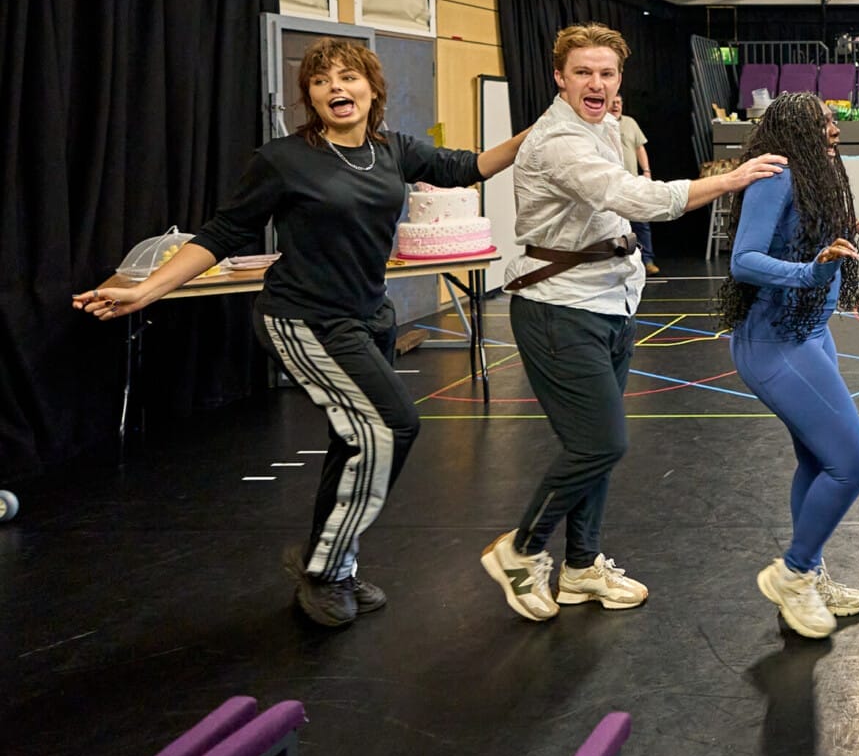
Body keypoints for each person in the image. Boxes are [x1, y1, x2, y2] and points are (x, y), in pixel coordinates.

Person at [73, 37, 526, 628]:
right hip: (303, 318)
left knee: (354, 439)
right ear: (309, 96)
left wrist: (550, 122)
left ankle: (332, 566)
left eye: (349, 76)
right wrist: (147, 289)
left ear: (372, 87)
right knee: (390, 426)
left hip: (369, 317)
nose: (337, 87)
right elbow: (222, 233)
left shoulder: (393, 151)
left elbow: (470, 166)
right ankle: (324, 569)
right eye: (321, 81)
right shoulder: (284, 159)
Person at [480, 24, 785, 622]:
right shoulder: (560, 142)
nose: (596, 83)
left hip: (609, 305)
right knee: (601, 443)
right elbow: (641, 200)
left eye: (607, 73)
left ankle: (581, 567)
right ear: (559, 78)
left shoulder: (600, 126)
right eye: (584, 73)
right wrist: (731, 178)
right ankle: (520, 551)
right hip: (559, 310)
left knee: (590, 449)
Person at [717, 92, 859, 638]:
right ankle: (794, 572)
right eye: (824, 121)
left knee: (817, 461)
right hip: (774, 343)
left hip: (809, 334)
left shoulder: (814, 177)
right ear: (796, 132)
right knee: (853, 464)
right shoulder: (777, 176)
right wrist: (810, 270)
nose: (835, 128)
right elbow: (744, 260)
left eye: (834, 120)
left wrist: (837, 240)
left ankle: (810, 573)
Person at [605, 94, 659, 274]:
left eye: (618, 102)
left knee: (641, 222)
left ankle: (647, 261)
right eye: (612, 102)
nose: (615, 106)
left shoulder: (630, 123)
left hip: (632, 182)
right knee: (613, 226)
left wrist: (646, 171)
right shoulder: (599, 124)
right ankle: (618, 263)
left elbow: (639, 147)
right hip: (610, 184)